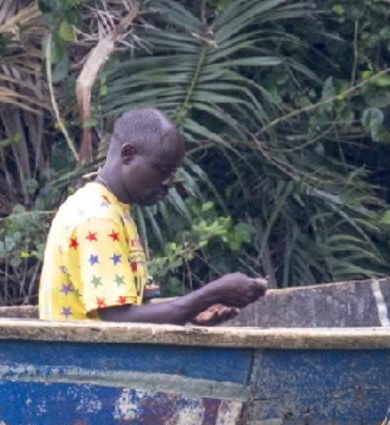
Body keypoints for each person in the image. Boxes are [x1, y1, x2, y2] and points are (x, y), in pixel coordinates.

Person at [37, 108, 269, 325]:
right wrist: (214, 293)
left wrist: (191, 312)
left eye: (172, 173)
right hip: (87, 362)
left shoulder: (111, 208)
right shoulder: (98, 218)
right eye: (162, 170)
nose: (169, 182)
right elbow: (118, 320)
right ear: (128, 154)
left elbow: (126, 309)